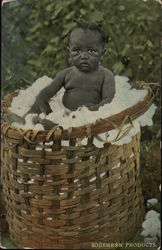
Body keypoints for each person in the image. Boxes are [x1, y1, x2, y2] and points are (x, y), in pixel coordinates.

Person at [27, 23, 115, 116]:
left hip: (90, 116)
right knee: (39, 104)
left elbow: (108, 100)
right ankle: (25, 120)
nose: (83, 56)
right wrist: (42, 99)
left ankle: (49, 125)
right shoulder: (66, 74)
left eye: (91, 51)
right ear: (69, 50)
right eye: (77, 51)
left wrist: (93, 110)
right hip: (65, 113)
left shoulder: (105, 75)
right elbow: (49, 90)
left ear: (103, 52)